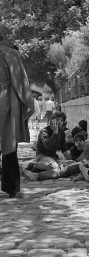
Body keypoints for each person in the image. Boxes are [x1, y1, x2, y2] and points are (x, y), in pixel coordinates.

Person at [0, 34, 34, 198]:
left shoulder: (10, 53)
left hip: (6, 100)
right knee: (9, 144)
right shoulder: (11, 53)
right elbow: (21, 82)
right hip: (7, 100)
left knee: (8, 144)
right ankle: (11, 187)